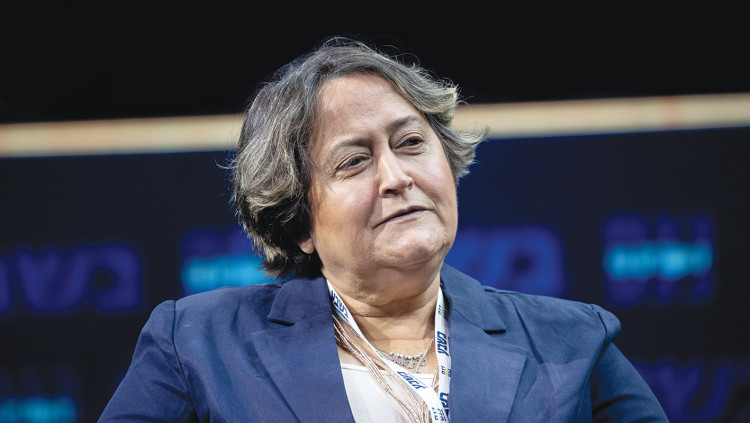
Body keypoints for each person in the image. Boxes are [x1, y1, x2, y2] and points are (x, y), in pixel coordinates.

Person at [99, 37, 668, 422]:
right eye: (354, 162)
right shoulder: (200, 346)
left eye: (411, 142)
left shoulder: (572, 341)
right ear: (298, 221)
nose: (396, 177)